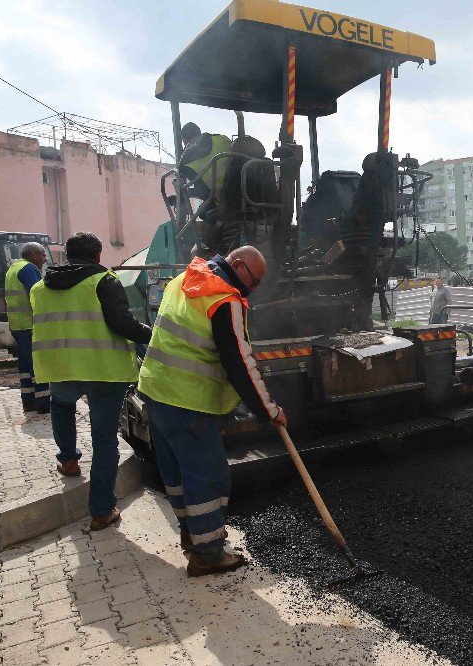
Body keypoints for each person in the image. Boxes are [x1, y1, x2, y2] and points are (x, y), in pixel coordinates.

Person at [137, 245, 287, 577]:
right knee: (208, 476)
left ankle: (193, 535)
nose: (254, 290)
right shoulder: (223, 298)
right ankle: (207, 554)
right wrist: (269, 410)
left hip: (156, 390)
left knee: (177, 474)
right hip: (189, 401)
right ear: (237, 265)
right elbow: (240, 364)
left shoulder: (184, 279)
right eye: (255, 281)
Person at [31, 232, 152, 530]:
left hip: (59, 366)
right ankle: (101, 510)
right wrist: (154, 334)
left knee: (61, 408)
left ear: (68, 255)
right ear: (97, 256)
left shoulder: (40, 287)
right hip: (102, 369)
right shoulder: (103, 281)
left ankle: (69, 460)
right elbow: (121, 323)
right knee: (104, 439)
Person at [5, 242, 49, 414]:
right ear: (33, 255)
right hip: (30, 325)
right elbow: (38, 294)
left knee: (25, 366)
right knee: (38, 364)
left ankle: (28, 401)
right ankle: (44, 404)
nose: (44, 259)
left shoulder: (13, 269)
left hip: (17, 325)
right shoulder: (29, 269)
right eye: (42, 255)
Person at [178, 122, 233, 211]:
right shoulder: (222, 138)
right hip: (243, 191)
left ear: (185, 140)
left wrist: (186, 194)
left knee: (202, 212)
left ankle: (221, 224)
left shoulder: (187, 163)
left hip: (222, 199)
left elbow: (203, 192)